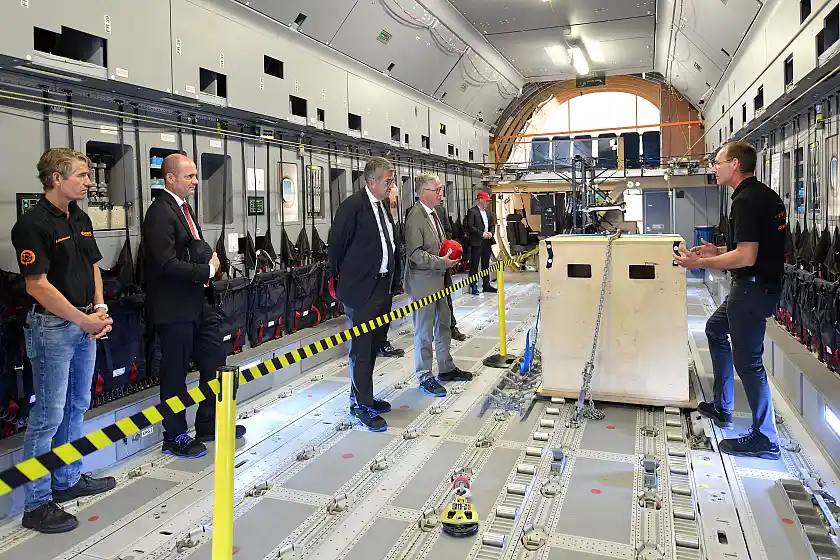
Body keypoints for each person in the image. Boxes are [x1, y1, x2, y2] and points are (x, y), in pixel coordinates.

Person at [11, 148, 116, 533]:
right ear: (57, 178)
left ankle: (67, 478)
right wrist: (83, 319)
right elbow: (37, 286)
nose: (89, 182)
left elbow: (93, 266)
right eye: (82, 175)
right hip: (52, 328)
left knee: (76, 405)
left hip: (85, 323)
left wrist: (99, 309)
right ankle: (36, 504)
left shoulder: (80, 217)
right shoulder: (32, 224)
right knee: (48, 416)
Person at [675, 141, 785, 460]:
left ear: (735, 164)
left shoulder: (745, 201)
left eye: (718, 162)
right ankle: (722, 407)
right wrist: (717, 251)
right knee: (714, 329)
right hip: (760, 287)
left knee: (748, 363)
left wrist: (699, 263)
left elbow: (746, 257)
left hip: (751, 289)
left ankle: (766, 438)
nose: (714, 167)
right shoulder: (764, 195)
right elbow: (753, 248)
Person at [142, 154, 245, 459]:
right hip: (174, 309)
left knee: (214, 362)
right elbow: (165, 264)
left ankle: (209, 423)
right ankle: (174, 436)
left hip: (199, 304)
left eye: (196, 176)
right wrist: (207, 271)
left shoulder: (184, 209)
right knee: (174, 375)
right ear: (170, 178)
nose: (196, 182)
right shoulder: (159, 213)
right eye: (189, 176)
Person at [329, 157, 401, 431]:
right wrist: (347, 281)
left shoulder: (382, 206)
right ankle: (361, 406)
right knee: (360, 349)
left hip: (382, 287)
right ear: (372, 182)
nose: (391, 186)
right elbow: (336, 247)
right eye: (388, 181)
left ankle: (363, 396)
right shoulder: (352, 207)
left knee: (372, 346)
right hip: (361, 290)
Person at [404, 173, 473, 397]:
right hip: (423, 282)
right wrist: (442, 262)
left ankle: (446, 367)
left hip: (440, 279)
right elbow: (414, 254)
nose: (442, 193)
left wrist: (450, 254)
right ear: (424, 192)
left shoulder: (436, 213)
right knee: (424, 331)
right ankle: (425, 375)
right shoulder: (415, 217)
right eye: (438, 190)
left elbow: (440, 243)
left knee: (444, 323)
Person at [434, 203, 466, 341]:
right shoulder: (413, 212)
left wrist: (444, 247)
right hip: (426, 268)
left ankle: (451, 326)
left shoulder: (440, 210)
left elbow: (448, 231)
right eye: (437, 192)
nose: (440, 194)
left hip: (443, 262)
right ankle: (428, 330)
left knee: (447, 297)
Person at [466, 191, 498, 295]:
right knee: (474, 265)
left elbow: (492, 225)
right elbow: (470, 226)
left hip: (487, 242)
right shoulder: (472, 212)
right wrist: (482, 234)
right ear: (480, 200)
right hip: (477, 241)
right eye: (486, 201)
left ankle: (486, 285)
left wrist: (491, 233)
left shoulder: (488, 212)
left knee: (486, 265)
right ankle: (474, 286)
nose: (487, 203)